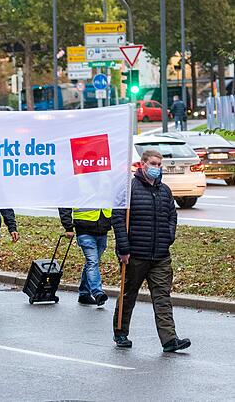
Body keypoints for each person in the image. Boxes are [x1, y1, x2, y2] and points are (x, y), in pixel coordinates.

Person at [112, 149, 190, 353]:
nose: (157, 168)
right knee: (128, 294)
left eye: (159, 164)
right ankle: (121, 332)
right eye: (153, 164)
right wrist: (123, 248)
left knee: (163, 297)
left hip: (160, 255)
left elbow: (172, 215)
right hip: (135, 255)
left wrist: (169, 236)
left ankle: (169, 339)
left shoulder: (164, 190)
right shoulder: (129, 189)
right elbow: (118, 219)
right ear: (143, 164)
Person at [59, 207, 112, 306]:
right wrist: (68, 227)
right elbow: (64, 205)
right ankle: (97, 292)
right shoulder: (78, 190)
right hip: (84, 229)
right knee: (93, 262)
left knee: (91, 263)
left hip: (103, 229)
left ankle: (84, 294)